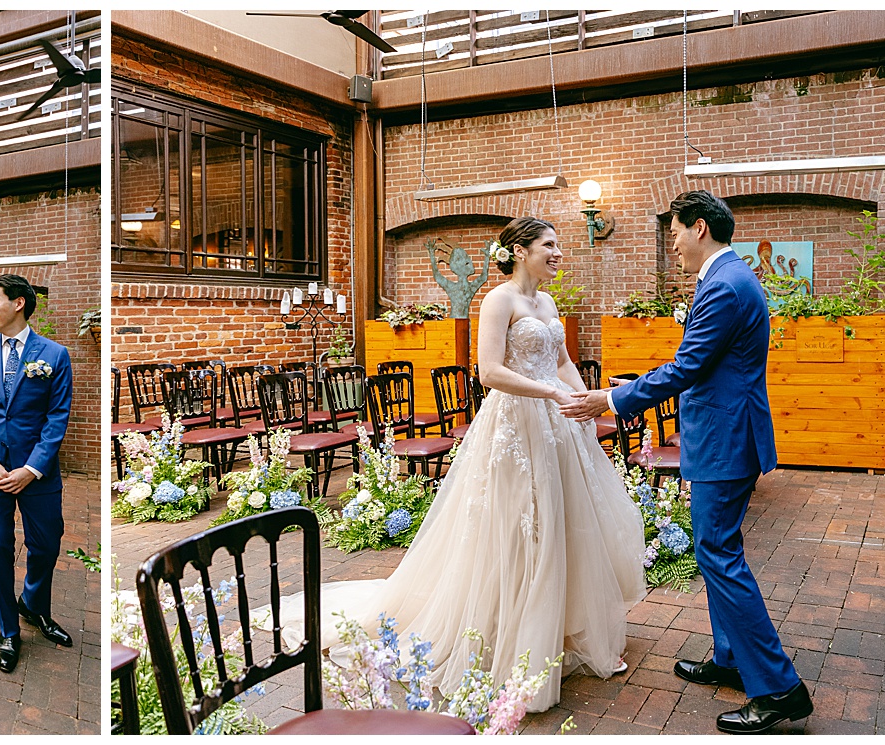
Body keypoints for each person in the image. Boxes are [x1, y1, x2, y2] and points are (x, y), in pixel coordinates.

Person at [268, 217, 646, 712]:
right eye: (548, 245)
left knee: (564, 524)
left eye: (558, 245)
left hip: (555, 427)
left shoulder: (547, 303)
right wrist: (554, 394)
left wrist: (583, 401)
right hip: (513, 426)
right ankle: (506, 635)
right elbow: (490, 372)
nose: (558, 253)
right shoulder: (498, 300)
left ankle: (569, 633)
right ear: (517, 250)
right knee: (518, 528)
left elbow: (560, 362)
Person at [561, 190, 813, 734]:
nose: (671, 242)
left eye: (674, 230)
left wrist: (610, 398)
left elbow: (687, 366)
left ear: (699, 227)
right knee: (716, 550)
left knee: (719, 555)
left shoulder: (724, 286)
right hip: (724, 434)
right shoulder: (729, 278)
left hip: (725, 440)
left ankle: (777, 688)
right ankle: (731, 657)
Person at [0, 274, 74, 673]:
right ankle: (9, 629)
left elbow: (57, 418)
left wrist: (31, 468)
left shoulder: (55, 355)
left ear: (19, 303)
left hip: (36, 474)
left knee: (46, 545)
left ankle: (35, 606)